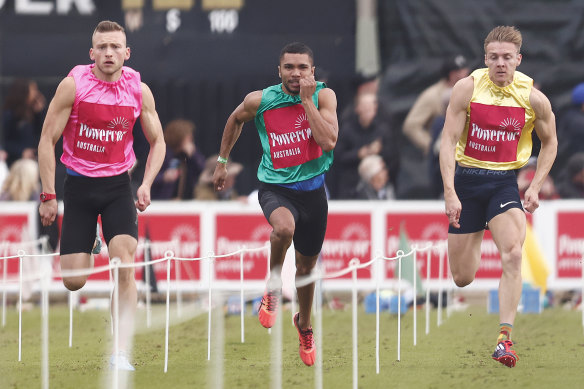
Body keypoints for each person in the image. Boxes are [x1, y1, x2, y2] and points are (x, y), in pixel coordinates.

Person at [37, 20, 166, 371]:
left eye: (115, 47)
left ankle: (120, 351)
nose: (109, 53)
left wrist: (147, 183)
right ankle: (93, 242)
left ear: (126, 53)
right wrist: (48, 194)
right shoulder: (73, 86)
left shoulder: (138, 89)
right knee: (75, 281)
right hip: (78, 187)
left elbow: (158, 142)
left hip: (117, 188)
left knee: (125, 265)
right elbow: (47, 139)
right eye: (102, 48)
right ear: (92, 53)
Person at [212, 42, 338, 366]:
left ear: (313, 71)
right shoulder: (262, 100)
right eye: (289, 67)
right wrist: (222, 161)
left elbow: (328, 141)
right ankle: (271, 287)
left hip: (313, 193)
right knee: (284, 228)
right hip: (275, 188)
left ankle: (305, 324)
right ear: (278, 71)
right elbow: (235, 119)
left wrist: (306, 101)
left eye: (302, 68)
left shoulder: (324, 96)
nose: (295, 73)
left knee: (307, 269)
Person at [439, 26, 557, 368]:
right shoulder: (467, 88)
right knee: (462, 277)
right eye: (494, 57)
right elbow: (447, 141)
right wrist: (449, 192)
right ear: (485, 59)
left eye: (507, 58)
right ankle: (477, 230)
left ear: (518, 60)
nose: (500, 64)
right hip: (467, 180)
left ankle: (504, 339)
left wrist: (534, 185)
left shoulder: (533, 97)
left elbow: (551, 142)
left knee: (514, 253)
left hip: (504, 182)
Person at [400, 55, 470, 198]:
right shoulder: (432, 96)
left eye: (465, 70)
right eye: (460, 71)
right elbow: (411, 125)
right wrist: (430, 144)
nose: (464, 74)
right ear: (452, 75)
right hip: (443, 152)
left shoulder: (470, 90)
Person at [334, 92, 398, 198]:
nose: (369, 111)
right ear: (358, 108)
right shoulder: (347, 129)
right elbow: (337, 156)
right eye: (365, 108)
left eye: (371, 107)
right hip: (352, 185)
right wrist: (358, 154)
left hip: (377, 184)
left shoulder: (383, 130)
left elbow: (393, 156)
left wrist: (379, 151)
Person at [151, 119, 206, 200]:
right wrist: (163, 177)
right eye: (188, 136)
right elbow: (147, 177)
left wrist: (193, 155)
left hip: (186, 200)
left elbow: (201, 169)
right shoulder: (163, 153)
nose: (190, 139)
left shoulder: (190, 154)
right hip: (162, 201)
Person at [2, 78, 47, 166]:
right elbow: (4, 142)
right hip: (14, 163)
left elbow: (42, 134)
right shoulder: (10, 114)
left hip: (31, 162)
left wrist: (40, 113)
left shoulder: (33, 113)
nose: (36, 93)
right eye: (33, 90)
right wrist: (21, 151)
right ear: (23, 92)